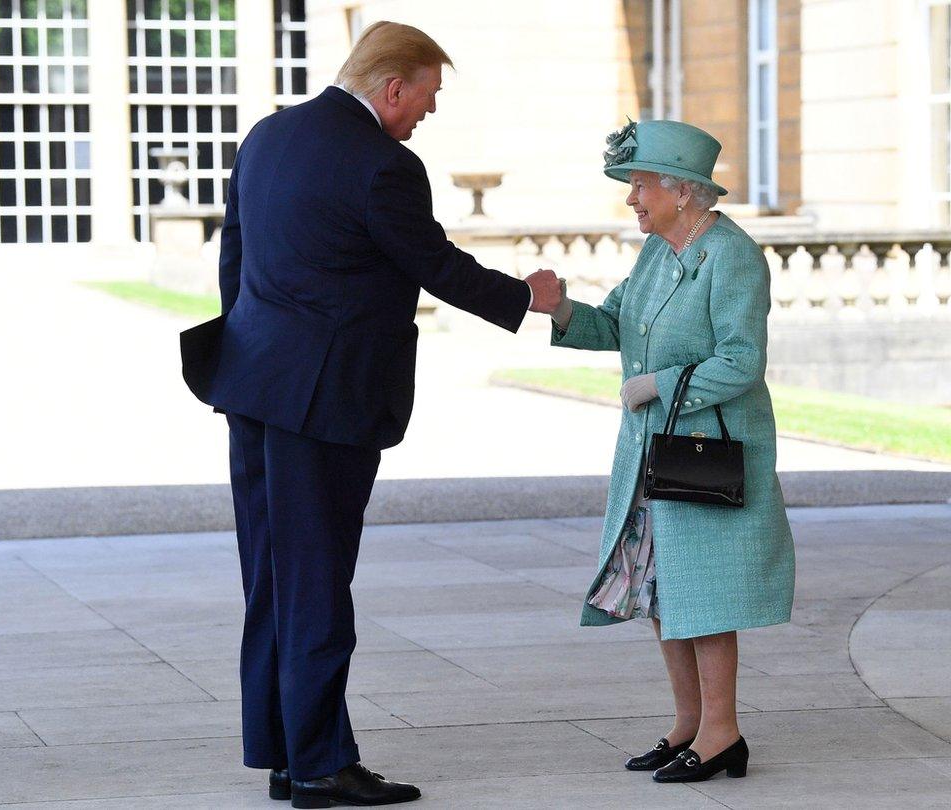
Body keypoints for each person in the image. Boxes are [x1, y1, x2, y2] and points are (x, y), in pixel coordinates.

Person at [180, 21, 561, 808]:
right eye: (427, 96)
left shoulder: (268, 136)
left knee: (274, 581)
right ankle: (321, 766)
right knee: (317, 580)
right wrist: (528, 298)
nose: (427, 112)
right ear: (393, 86)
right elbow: (434, 264)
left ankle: (288, 753)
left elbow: (235, 262)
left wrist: (256, 354)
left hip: (253, 388)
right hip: (325, 403)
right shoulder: (384, 165)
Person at [545, 119, 796, 783]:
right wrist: (561, 309)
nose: (631, 198)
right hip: (654, 452)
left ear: (682, 190)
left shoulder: (734, 256)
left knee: (707, 594)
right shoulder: (657, 253)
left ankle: (723, 732)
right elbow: (615, 324)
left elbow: (742, 361)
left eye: (639, 185)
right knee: (663, 589)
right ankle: (689, 723)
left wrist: (659, 385)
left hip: (707, 451)